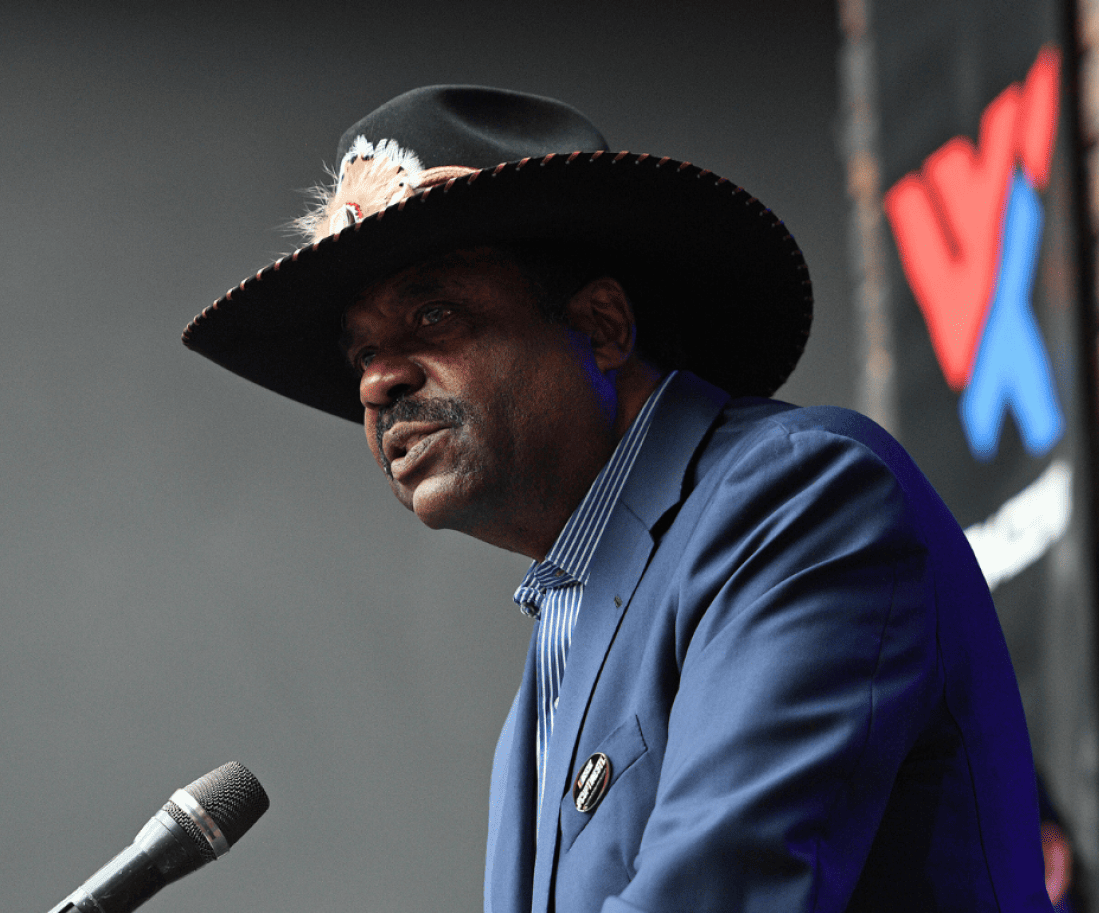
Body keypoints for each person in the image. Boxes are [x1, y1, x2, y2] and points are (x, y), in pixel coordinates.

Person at [183, 86, 1051, 912]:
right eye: (361, 353)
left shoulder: (799, 497)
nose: (378, 382)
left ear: (601, 326)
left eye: (435, 315)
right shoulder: (558, 644)